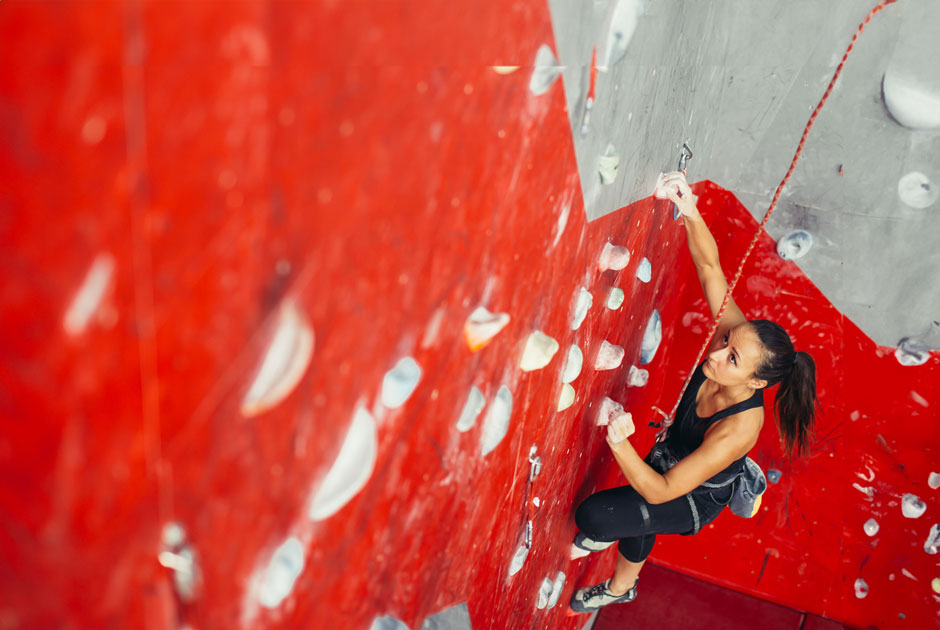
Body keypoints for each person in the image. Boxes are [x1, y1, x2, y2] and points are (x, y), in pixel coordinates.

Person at [569, 171, 820, 613]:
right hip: (671, 460)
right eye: (726, 340)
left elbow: (664, 491)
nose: (718, 352)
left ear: (756, 384)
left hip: (691, 496)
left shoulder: (739, 429)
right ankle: (621, 585)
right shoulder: (736, 342)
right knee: (634, 512)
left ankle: (615, 589)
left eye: (733, 359)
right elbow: (710, 269)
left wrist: (620, 442)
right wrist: (690, 209)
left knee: (597, 516)